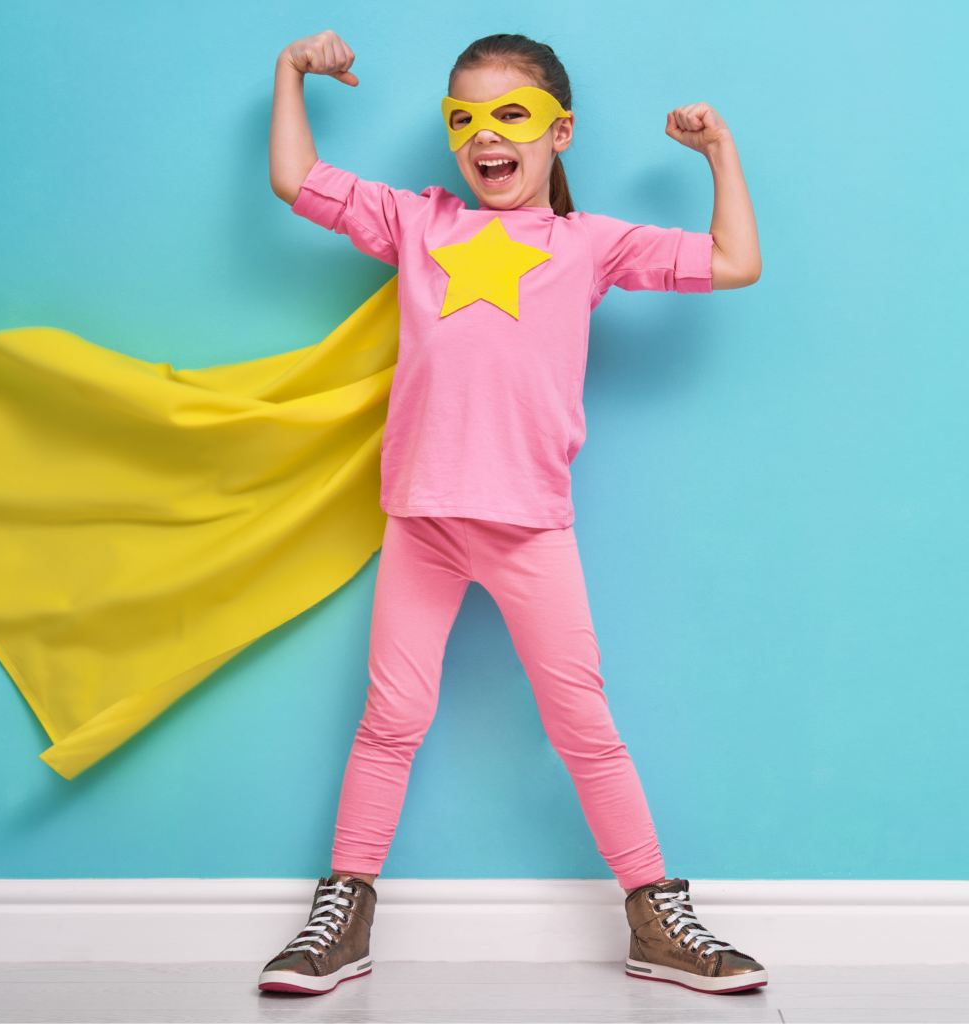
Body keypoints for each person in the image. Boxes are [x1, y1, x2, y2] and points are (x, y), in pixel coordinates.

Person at [258, 30, 764, 996]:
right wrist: (290, 72)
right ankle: (343, 912)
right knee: (389, 720)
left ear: (559, 131)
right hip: (421, 521)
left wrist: (719, 152)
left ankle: (656, 915)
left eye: (511, 116)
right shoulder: (419, 221)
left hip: (531, 526)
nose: (485, 136)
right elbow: (296, 178)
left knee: (584, 726)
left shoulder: (591, 244)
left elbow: (735, 261)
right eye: (465, 120)